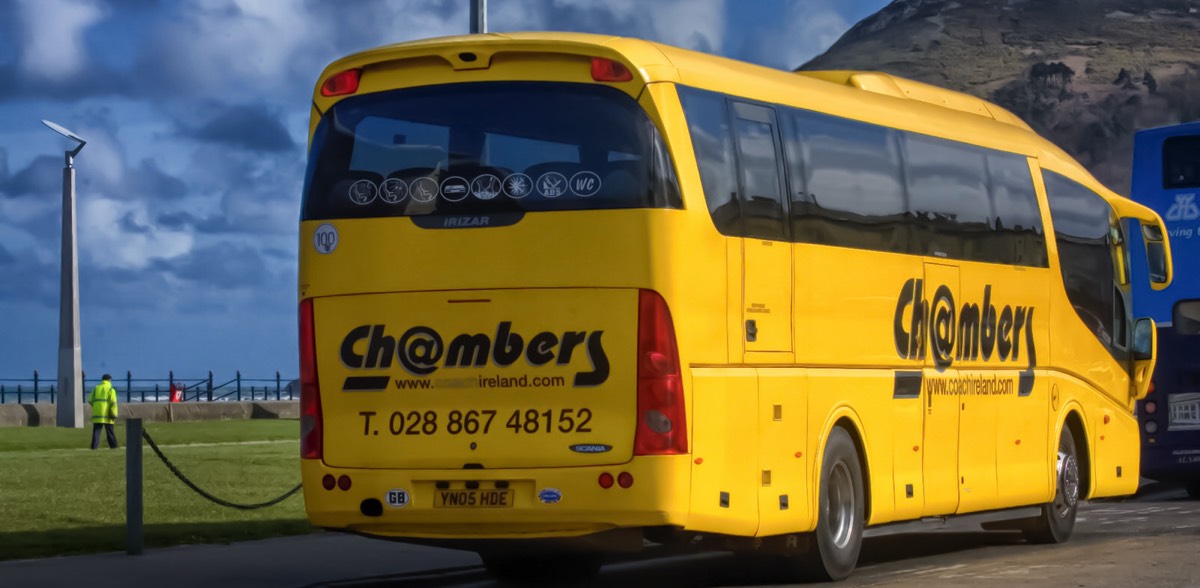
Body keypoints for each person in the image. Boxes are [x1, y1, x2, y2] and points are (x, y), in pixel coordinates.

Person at [89, 374, 119, 450]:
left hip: (97, 413)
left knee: (96, 431)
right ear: (109, 380)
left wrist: (96, 406)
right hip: (108, 413)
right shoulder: (111, 389)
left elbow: (90, 400)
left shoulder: (96, 388)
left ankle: (94, 447)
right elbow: (113, 403)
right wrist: (114, 414)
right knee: (109, 431)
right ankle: (114, 446)